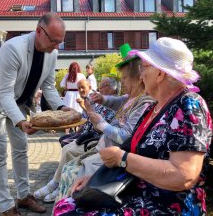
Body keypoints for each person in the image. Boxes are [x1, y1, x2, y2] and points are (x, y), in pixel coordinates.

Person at [54, 37, 213, 216]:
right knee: (66, 205)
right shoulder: (155, 107)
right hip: (136, 192)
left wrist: (122, 158)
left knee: (68, 211)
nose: (141, 75)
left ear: (160, 74)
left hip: (167, 205)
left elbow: (183, 176)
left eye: (145, 67)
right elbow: (136, 152)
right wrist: (96, 179)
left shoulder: (189, 104)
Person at [0, 13, 70, 216]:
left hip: (19, 102)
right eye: (54, 41)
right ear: (39, 31)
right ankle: (5, 206)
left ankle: (23, 196)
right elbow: (4, 93)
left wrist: (62, 108)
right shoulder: (13, 48)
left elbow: (48, 86)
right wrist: (22, 122)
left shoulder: (52, 53)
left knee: (21, 149)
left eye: (60, 42)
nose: (57, 46)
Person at [55, 44, 155, 201]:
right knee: (70, 166)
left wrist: (100, 123)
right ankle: (63, 198)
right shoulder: (130, 98)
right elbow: (114, 101)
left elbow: (124, 137)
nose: (122, 81)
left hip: (112, 157)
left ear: (138, 78)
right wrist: (102, 99)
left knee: (72, 171)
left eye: (125, 77)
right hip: (104, 151)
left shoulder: (143, 103)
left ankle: (68, 202)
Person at [34, 78, 116, 202]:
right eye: (100, 85)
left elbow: (100, 129)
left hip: (95, 139)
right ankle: (57, 183)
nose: (100, 88)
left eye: (103, 85)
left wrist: (87, 109)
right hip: (85, 135)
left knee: (68, 150)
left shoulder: (113, 106)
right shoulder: (101, 103)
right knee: (67, 146)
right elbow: (84, 120)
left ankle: (57, 185)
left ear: (112, 88)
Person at [59, 78, 118, 147]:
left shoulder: (97, 99)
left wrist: (84, 107)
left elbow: (99, 128)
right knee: (62, 139)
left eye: (103, 86)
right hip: (85, 132)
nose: (100, 88)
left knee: (65, 143)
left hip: (92, 138)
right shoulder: (102, 101)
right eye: (79, 88)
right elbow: (88, 119)